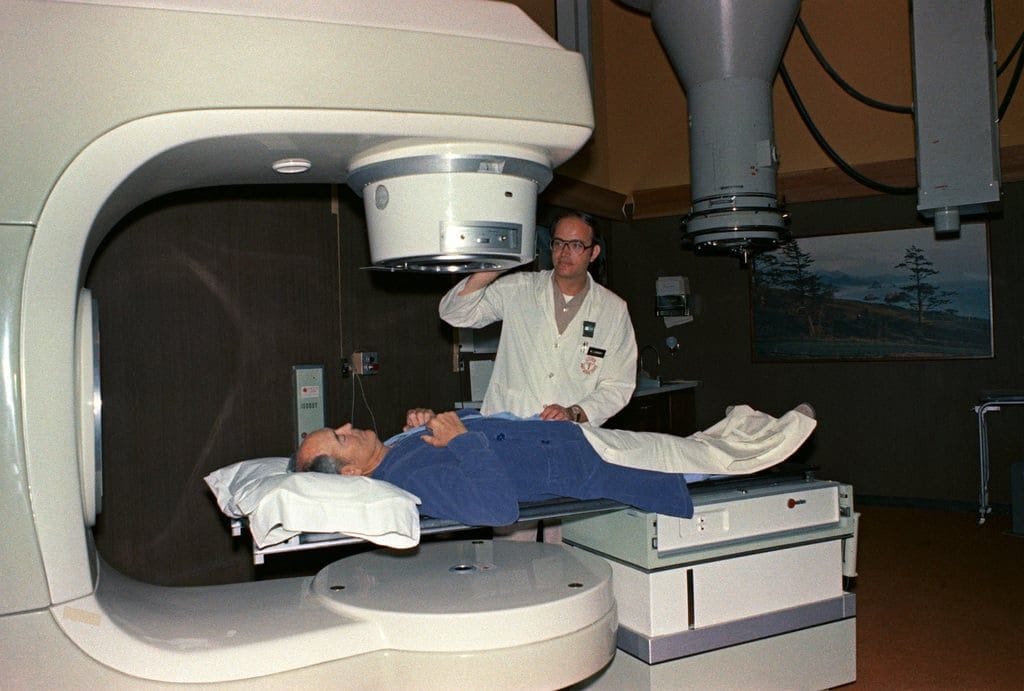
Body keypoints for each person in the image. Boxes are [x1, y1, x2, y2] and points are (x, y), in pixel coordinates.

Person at [288, 405, 818, 527]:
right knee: (690, 462)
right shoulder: (407, 482)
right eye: (341, 437)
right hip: (582, 465)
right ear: (351, 474)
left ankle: (751, 428)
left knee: (680, 445)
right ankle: (774, 441)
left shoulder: (395, 453)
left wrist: (423, 423)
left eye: (339, 426)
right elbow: (497, 509)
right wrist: (463, 437)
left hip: (572, 438)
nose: (350, 426)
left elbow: (453, 439)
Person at [439, 211, 637, 426]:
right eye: (559, 243)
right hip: (509, 425)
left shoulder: (613, 310)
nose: (564, 252)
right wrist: (495, 268)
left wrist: (574, 412)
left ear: (594, 252)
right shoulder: (519, 288)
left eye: (576, 245)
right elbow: (455, 313)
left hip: (569, 434)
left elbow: (618, 385)